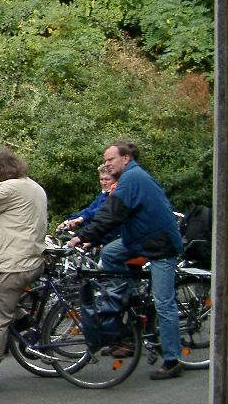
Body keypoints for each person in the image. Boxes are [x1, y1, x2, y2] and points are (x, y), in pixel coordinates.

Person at [69, 141, 184, 379]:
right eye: (105, 160)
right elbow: (112, 216)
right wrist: (94, 238)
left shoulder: (132, 179)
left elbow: (112, 213)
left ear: (126, 159)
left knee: (164, 303)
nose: (106, 164)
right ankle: (129, 295)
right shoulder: (128, 179)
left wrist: (83, 236)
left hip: (159, 245)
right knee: (110, 253)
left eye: (111, 159)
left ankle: (173, 360)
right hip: (139, 240)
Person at [0, 146, 48, 394]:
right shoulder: (32, 186)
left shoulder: (11, 188)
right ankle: (21, 315)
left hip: (13, 265)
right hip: (30, 260)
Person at [58, 165, 115, 232]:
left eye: (107, 179)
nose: (104, 183)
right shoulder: (102, 194)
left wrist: (81, 219)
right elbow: (89, 209)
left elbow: (99, 210)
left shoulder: (114, 195)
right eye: (101, 179)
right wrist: (69, 220)